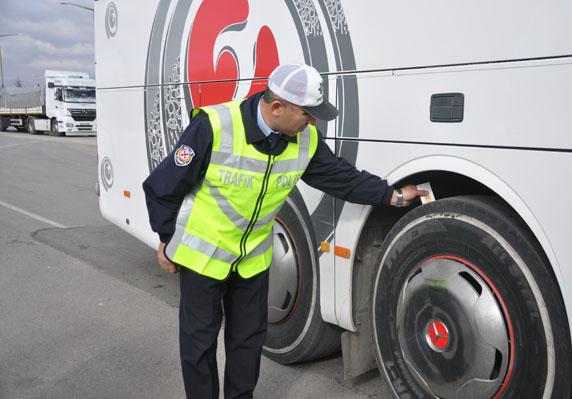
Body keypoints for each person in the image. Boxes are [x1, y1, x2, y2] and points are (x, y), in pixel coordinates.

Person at [142, 63, 428, 399]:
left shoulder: (304, 140)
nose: (312, 122)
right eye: (308, 114)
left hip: (252, 261)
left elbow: (342, 178)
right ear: (277, 107)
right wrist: (166, 239)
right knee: (199, 345)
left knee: (247, 343)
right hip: (203, 257)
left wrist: (392, 195)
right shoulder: (215, 126)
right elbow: (163, 186)